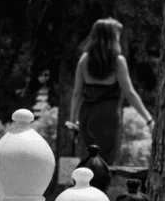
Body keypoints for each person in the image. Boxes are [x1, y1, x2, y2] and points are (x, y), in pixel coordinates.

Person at [65, 18, 154, 165]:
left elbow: (76, 93)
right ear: (111, 37)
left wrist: (73, 122)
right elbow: (130, 93)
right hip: (107, 117)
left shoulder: (84, 59)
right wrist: (149, 120)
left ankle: (84, 188)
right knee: (104, 164)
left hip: (86, 116)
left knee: (89, 161)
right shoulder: (117, 61)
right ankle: (99, 189)